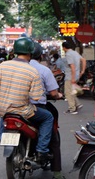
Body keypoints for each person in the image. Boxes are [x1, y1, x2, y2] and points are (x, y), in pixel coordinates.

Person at [0, 37, 54, 162]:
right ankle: (41, 151)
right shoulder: (32, 71)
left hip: (4, 110)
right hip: (23, 111)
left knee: (6, 115)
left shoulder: (3, 66)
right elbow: (36, 97)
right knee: (48, 117)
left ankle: (3, 137)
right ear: (30, 52)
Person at [30, 43, 65, 179]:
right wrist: (59, 95)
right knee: (53, 135)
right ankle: (56, 172)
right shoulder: (43, 70)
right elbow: (53, 92)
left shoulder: (14, 68)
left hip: (13, 107)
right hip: (36, 107)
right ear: (40, 55)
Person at [62, 42, 86, 114]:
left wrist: (72, 78)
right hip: (77, 75)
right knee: (72, 91)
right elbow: (83, 60)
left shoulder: (68, 54)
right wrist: (82, 71)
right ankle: (77, 104)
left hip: (70, 76)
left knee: (68, 93)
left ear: (64, 47)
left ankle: (72, 109)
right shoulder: (75, 53)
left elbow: (72, 66)